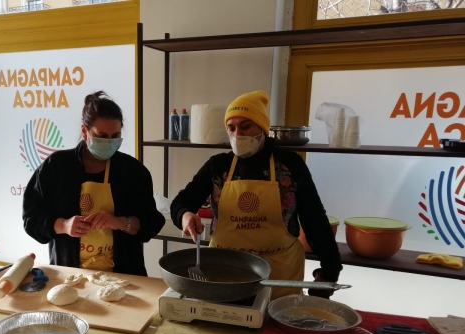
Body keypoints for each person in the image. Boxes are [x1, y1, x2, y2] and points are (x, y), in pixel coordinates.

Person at [170, 90, 342, 299]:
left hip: (279, 271)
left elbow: (314, 218)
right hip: (223, 268)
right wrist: (185, 216)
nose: (237, 135)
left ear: (262, 127)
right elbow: (180, 203)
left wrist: (330, 271)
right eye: (231, 128)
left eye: (245, 126)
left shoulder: (290, 165)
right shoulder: (218, 166)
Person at [23, 91, 165, 276]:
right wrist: (64, 225)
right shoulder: (56, 167)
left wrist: (120, 222)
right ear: (84, 131)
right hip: (69, 275)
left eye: (116, 135)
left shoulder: (132, 171)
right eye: (101, 136)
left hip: (125, 276)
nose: (109, 142)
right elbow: (31, 219)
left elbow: (151, 222)